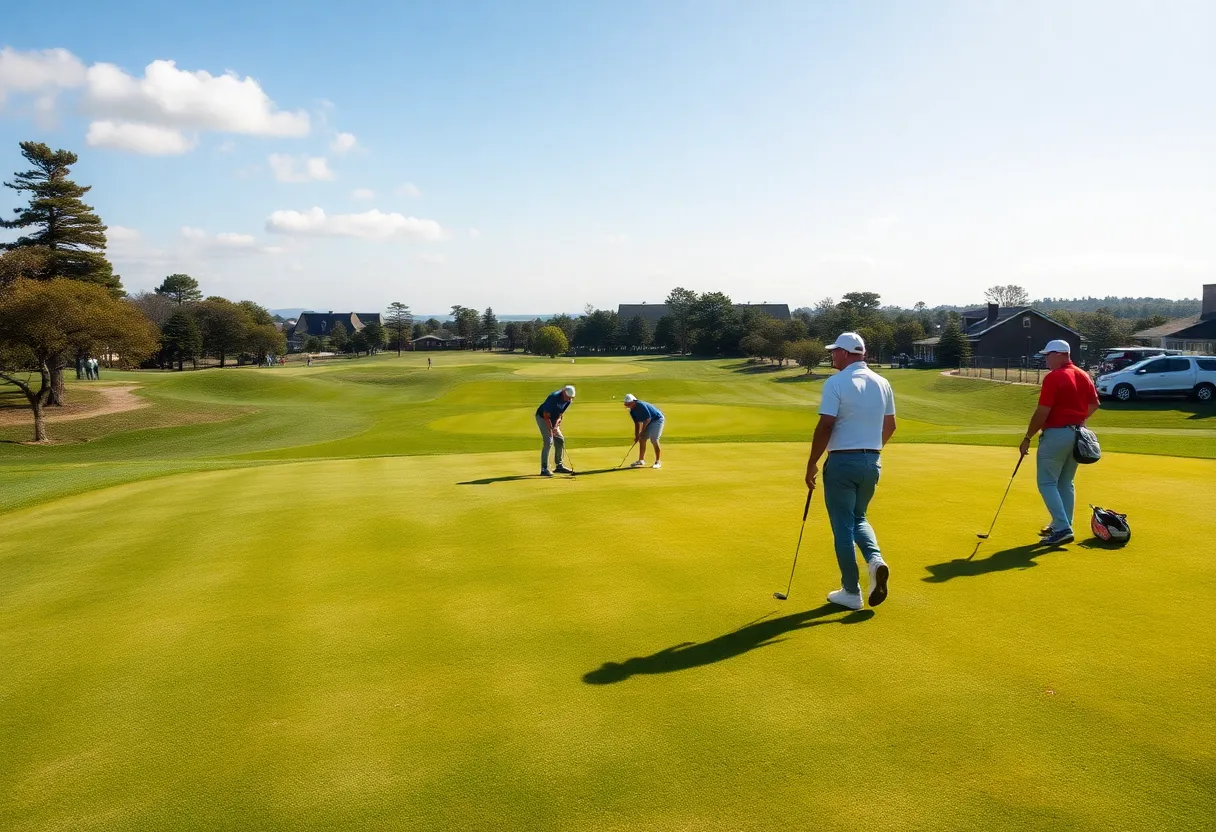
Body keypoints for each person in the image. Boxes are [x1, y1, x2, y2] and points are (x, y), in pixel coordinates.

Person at [804, 332, 897, 611]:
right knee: (859, 517)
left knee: (843, 525)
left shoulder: (836, 382)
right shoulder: (883, 382)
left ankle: (851, 591)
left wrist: (812, 462)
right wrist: (870, 450)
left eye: (835, 352)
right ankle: (875, 560)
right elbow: (890, 426)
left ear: (845, 353)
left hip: (843, 463)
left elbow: (826, 426)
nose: (832, 356)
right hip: (872, 461)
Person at [1020, 339, 1099, 545]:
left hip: (1056, 434)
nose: (1045, 359)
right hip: (1078, 434)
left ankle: (1062, 527)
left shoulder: (1054, 377)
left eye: (1047, 355)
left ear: (1059, 354)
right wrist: (1078, 419)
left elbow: (1042, 411)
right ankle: (1062, 525)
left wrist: (1028, 436)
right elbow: (1094, 404)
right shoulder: (1083, 375)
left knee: (1046, 482)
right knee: (1065, 482)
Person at [535, 385, 576, 476]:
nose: (569, 399)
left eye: (571, 398)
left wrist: (556, 426)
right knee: (549, 441)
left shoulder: (568, 400)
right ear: (563, 393)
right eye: (568, 397)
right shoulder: (553, 398)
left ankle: (559, 466)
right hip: (542, 417)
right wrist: (550, 428)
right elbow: (545, 415)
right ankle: (544, 469)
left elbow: (560, 414)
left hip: (554, 418)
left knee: (560, 439)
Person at [622, 394, 664, 468]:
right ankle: (641, 460)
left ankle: (658, 461)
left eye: (628, 404)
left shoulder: (641, 405)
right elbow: (637, 423)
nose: (627, 406)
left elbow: (648, 419)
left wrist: (641, 432)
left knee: (654, 439)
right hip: (648, 421)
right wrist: (637, 436)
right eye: (626, 404)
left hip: (657, 419)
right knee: (642, 439)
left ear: (634, 402)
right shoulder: (632, 411)